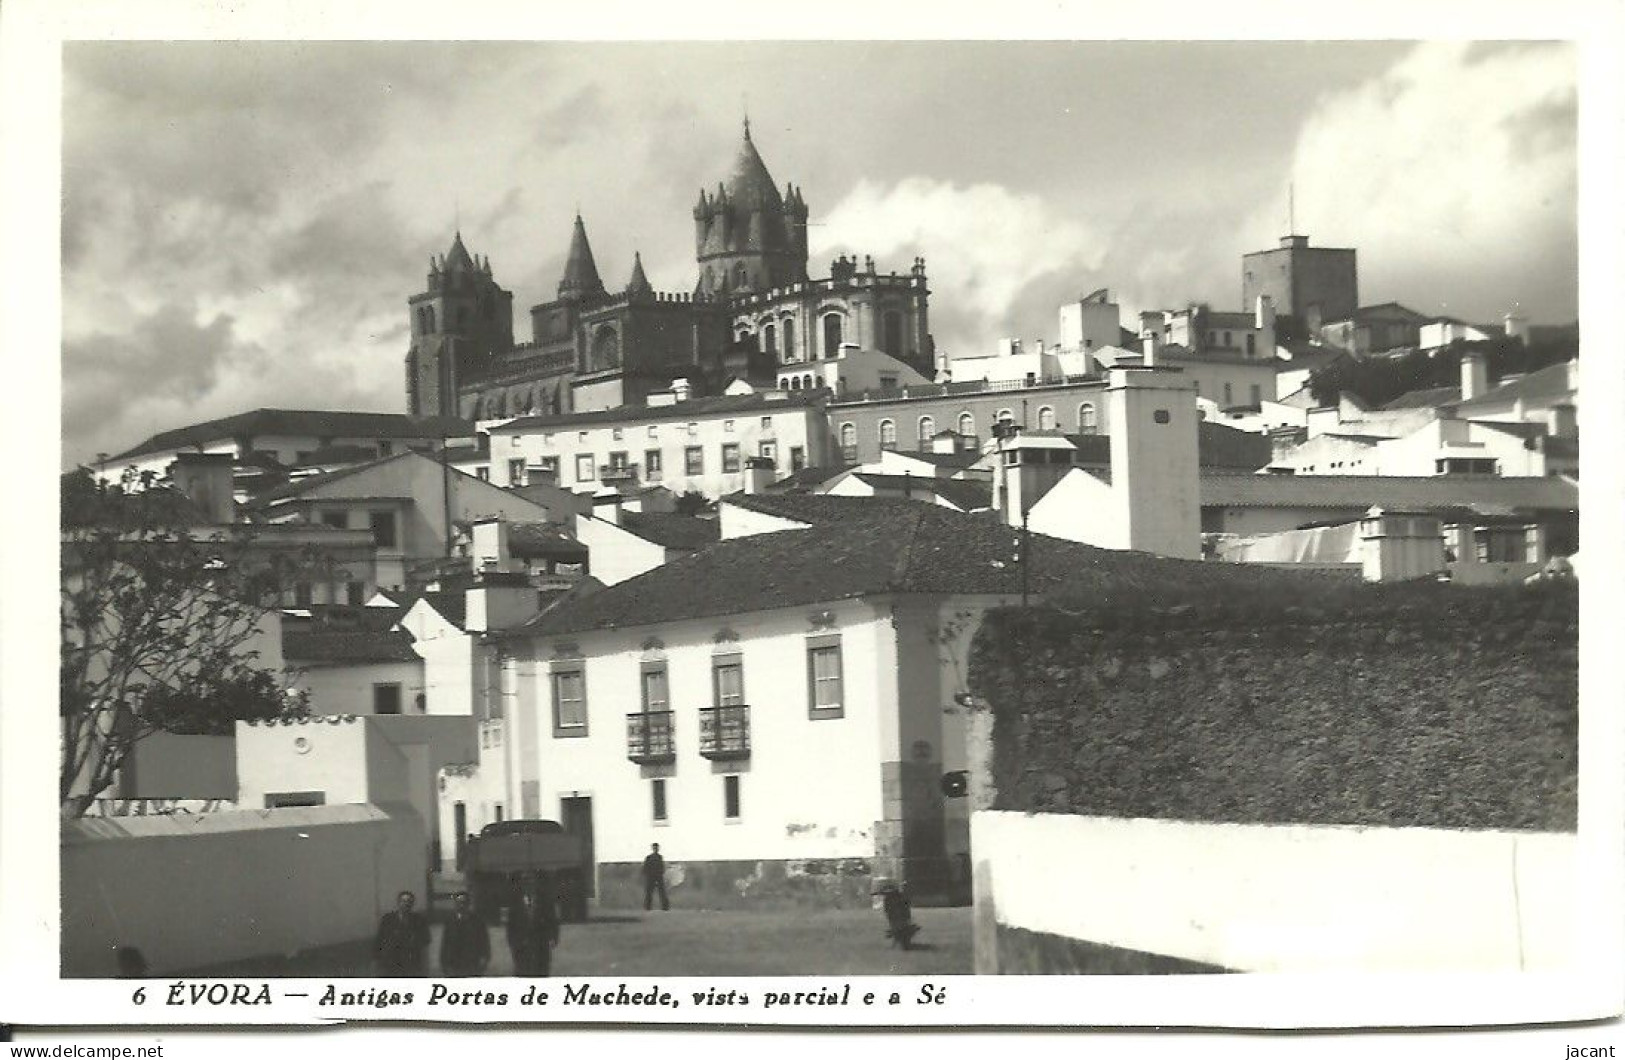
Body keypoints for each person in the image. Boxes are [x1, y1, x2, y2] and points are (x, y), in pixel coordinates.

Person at [507, 879, 559, 975]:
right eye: (526, 884)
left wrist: (554, 938)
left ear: (536, 885)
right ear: (522, 887)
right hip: (522, 948)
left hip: (541, 947)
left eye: (531, 884)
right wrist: (513, 943)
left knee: (541, 973)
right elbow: (510, 926)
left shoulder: (545, 902)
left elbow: (553, 922)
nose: (529, 888)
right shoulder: (515, 904)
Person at [374, 890, 431, 975]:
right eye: (403, 901)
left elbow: (426, 939)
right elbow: (379, 939)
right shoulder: (388, 919)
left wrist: (415, 940)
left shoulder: (419, 920)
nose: (406, 904)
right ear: (398, 902)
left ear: (412, 904)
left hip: (412, 963)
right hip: (391, 963)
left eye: (409, 901)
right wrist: (376, 959)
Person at [439, 892, 490, 977]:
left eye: (464, 903)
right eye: (459, 903)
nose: (461, 905)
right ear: (455, 904)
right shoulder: (450, 921)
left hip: (472, 964)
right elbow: (445, 943)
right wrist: (443, 963)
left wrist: (484, 960)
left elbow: (484, 942)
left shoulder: (478, 922)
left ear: (468, 904)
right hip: (453, 965)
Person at [879, 881, 920, 950]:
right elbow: (889, 912)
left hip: (901, 920)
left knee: (901, 929)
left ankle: (899, 940)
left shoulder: (900, 899)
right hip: (897, 920)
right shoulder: (892, 900)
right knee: (899, 929)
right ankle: (899, 939)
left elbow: (906, 911)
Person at [642, 843, 669, 911]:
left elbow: (662, 867)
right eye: (655, 848)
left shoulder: (660, 857)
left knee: (662, 893)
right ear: (653, 848)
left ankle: (665, 907)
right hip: (651, 877)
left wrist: (661, 873)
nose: (656, 849)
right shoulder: (649, 857)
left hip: (658, 877)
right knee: (649, 893)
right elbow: (645, 868)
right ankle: (648, 907)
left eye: (657, 848)